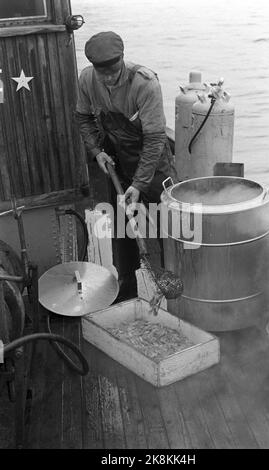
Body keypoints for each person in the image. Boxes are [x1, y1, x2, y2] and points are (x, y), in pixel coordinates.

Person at [76, 31, 176, 300]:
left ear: (122, 60)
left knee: (168, 224)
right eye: (103, 74)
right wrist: (97, 151)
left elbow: (155, 139)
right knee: (121, 225)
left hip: (152, 164)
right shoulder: (87, 79)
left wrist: (140, 183)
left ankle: (172, 281)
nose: (108, 79)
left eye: (114, 72)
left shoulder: (146, 84)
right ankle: (127, 282)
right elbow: (84, 118)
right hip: (116, 160)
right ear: (94, 68)